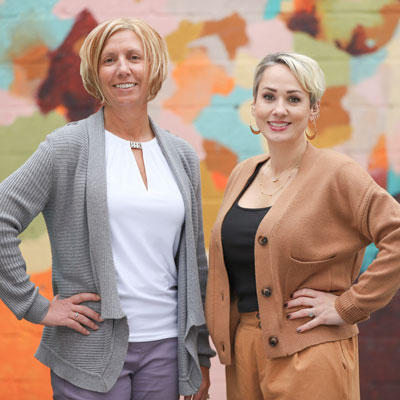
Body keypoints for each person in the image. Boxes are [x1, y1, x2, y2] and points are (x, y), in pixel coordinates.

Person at [0, 18, 214, 400]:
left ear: (154, 68)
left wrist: (199, 353)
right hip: (89, 349)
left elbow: (196, 263)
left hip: (166, 348)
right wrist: (35, 305)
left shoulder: (181, 155)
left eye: (135, 57)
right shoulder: (67, 147)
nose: (122, 68)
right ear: (96, 74)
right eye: (109, 60)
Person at [205, 52, 400, 400]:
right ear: (255, 105)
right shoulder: (242, 174)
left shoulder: (337, 173)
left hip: (311, 353)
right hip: (245, 352)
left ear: (313, 110)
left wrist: (347, 306)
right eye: (269, 97)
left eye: (293, 99)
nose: (279, 109)